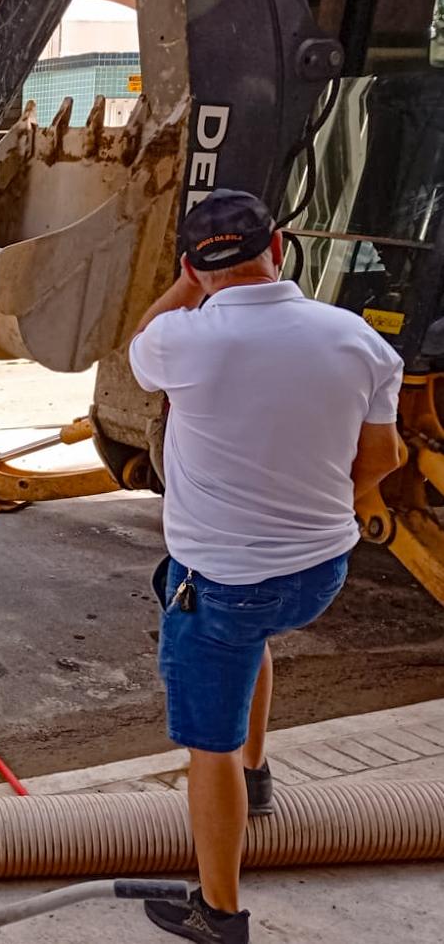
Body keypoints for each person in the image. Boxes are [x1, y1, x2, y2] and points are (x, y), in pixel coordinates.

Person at [129, 190, 404, 944]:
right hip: (320, 573)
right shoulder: (355, 338)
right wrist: (316, 503)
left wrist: (186, 288)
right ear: (277, 248)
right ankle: (256, 776)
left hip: (220, 585)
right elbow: (385, 456)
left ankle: (217, 912)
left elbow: (141, 347)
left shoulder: (179, 340)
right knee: (252, 639)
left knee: (202, 746)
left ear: (191, 264)